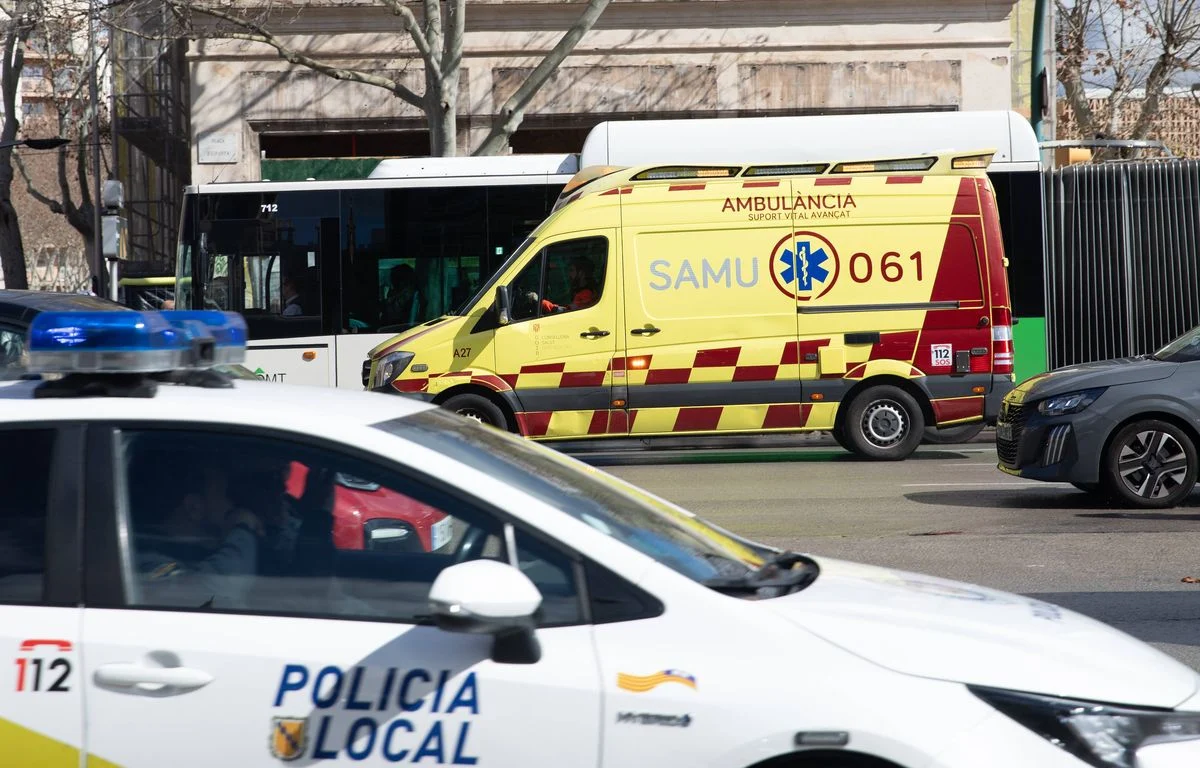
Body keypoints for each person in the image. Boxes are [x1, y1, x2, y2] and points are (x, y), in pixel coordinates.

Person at [135, 460, 265, 609]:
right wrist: (242, 527)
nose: (233, 506)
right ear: (193, 508)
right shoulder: (147, 560)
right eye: (226, 495)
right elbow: (212, 593)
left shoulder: (194, 553)